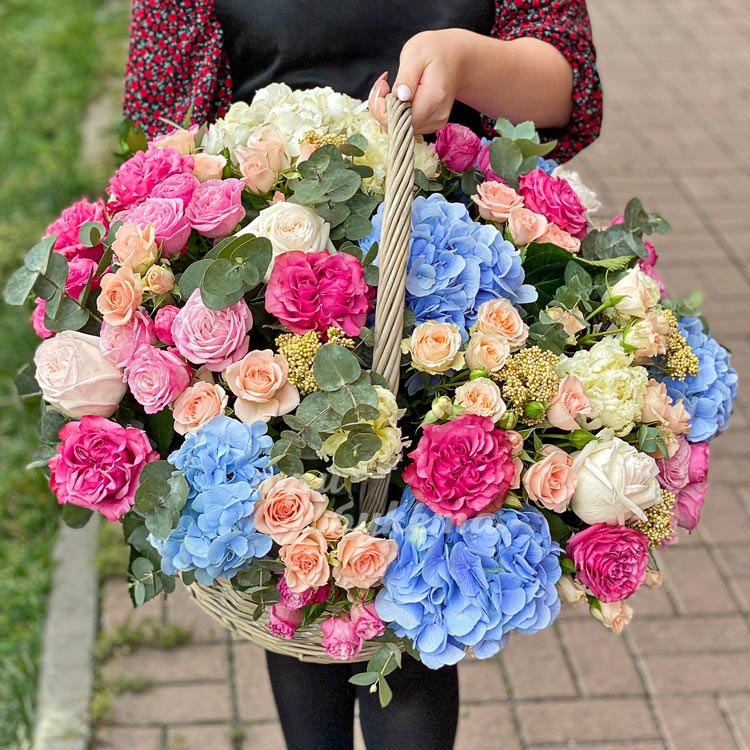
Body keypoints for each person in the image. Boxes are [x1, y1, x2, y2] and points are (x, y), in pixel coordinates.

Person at [121, 2, 602, 748]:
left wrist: (462, 58)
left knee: (420, 597)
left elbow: (565, 91)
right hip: (268, 298)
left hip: (452, 288)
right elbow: (165, 119)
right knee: (299, 574)